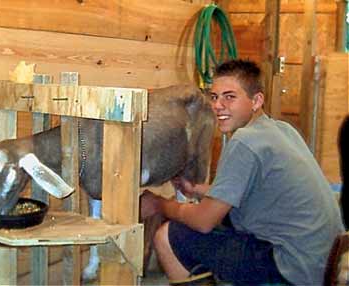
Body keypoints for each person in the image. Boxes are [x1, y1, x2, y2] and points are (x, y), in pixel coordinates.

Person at [141, 59, 344, 285]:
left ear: (256, 100)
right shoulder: (282, 130)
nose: (218, 106)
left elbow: (203, 221)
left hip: (291, 268)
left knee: (169, 236)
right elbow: (250, 191)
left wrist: (159, 204)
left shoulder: (246, 142)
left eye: (230, 97)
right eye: (214, 97)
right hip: (323, 264)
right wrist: (197, 190)